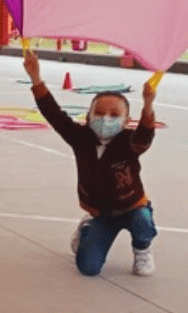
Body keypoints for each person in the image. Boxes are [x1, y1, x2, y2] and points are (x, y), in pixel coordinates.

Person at [23, 50, 159, 276]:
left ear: (127, 121)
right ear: (88, 116)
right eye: (100, 112)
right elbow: (54, 114)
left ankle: (142, 250)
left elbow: (145, 137)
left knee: (143, 221)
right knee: (88, 268)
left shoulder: (129, 142)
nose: (106, 119)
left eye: (114, 114)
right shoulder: (80, 138)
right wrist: (36, 78)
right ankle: (88, 230)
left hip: (131, 207)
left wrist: (148, 103)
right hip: (101, 212)